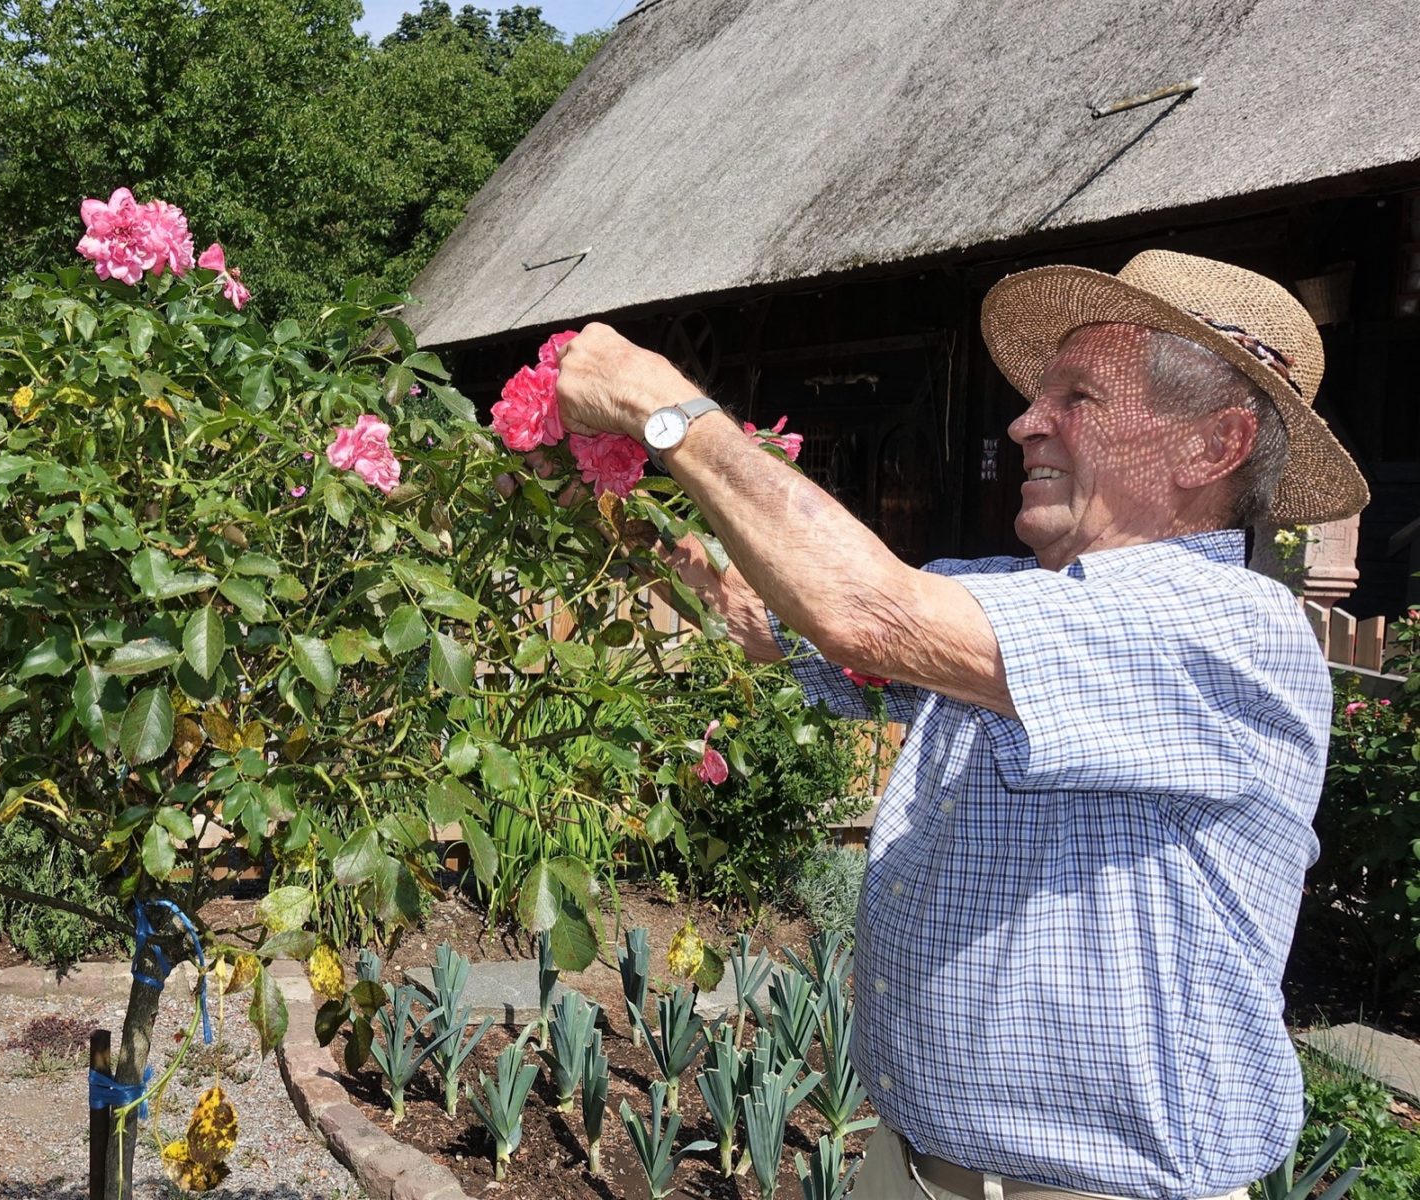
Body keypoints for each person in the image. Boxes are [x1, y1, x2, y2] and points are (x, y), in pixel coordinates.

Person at [552, 250, 1370, 1200]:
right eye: (1038, 395)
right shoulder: (1018, 599)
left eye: (1078, 397)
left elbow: (868, 612)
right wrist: (615, 501)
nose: (1024, 422)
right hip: (911, 1167)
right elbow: (757, 615)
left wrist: (660, 402)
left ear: (1213, 446)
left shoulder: (1229, 627)